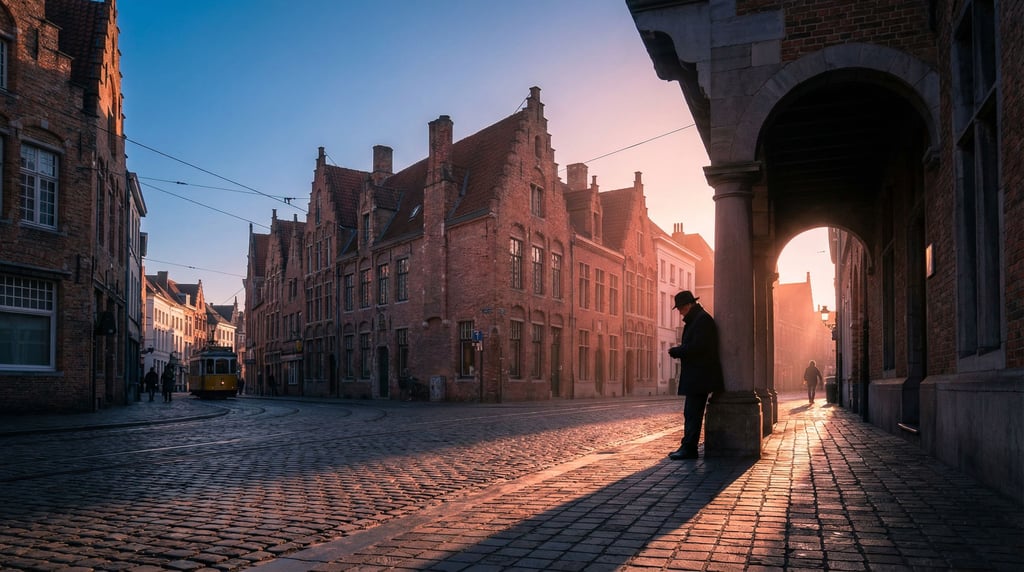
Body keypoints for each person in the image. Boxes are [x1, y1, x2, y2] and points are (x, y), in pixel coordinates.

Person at [667, 290, 724, 460]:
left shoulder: (702, 321)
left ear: (689, 305)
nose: (680, 312)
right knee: (690, 412)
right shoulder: (697, 320)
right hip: (697, 375)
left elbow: (699, 347)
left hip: (700, 376)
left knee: (692, 412)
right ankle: (687, 445)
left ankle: (689, 448)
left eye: (681, 308)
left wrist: (678, 351)